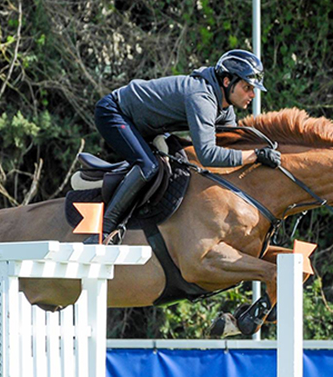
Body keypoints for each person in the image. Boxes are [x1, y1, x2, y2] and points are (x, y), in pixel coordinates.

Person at [88, 49, 283, 243]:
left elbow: (231, 147)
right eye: (248, 87)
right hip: (114, 113)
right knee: (148, 166)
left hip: (146, 125)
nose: (252, 94)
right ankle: (105, 229)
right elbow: (207, 154)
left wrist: (264, 155)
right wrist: (254, 155)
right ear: (227, 81)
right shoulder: (202, 97)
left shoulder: (225, 109)